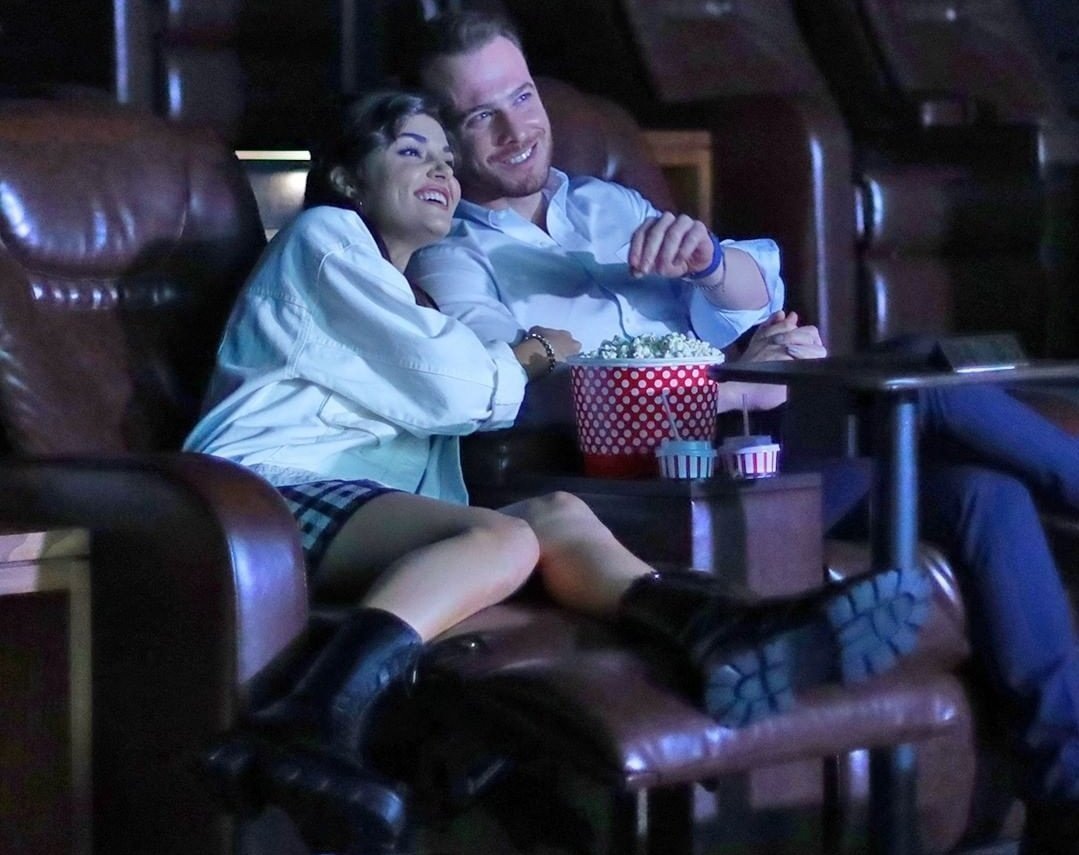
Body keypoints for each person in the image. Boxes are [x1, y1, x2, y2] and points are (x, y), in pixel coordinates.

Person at [404, 11, 1079, 851]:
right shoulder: (450, 257)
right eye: (481, 115)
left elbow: (751, 294)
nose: (516, 129)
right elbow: (516, 388)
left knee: (982, 494)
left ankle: (1065, 799)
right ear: (441, 138)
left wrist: (714, 269)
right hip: (637, 493)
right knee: (909, 371)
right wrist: (730, 382)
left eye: (521, 96)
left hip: (744, 449)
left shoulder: (603, 203)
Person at [184, 91, 929, 774]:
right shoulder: (324, 238)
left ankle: (719, 631)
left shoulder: (408, 294)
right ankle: (306, 717)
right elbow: (458, 388)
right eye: (412, 151)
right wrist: (535, 350)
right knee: (504, 538)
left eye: (445, 157)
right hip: (264, 494)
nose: (440, 169)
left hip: (357, 503)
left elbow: (457, 388)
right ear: (349, 178)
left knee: (558, 516)